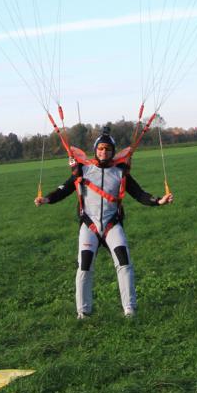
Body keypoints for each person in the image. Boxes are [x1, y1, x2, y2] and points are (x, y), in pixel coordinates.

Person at [35, 132, 173, 318]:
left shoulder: (120, 172)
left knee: (124, 262)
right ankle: (83, 312)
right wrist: (46, 199)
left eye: (108, 149)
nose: (104, 152)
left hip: (112, 225)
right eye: (100, 148)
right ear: (95, 150)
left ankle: (130, 309)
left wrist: (158, 201)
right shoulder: (83, 171)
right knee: (84, 266)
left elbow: (139, 193)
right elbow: (64, 189)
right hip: (89, 225)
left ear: (113, 152)